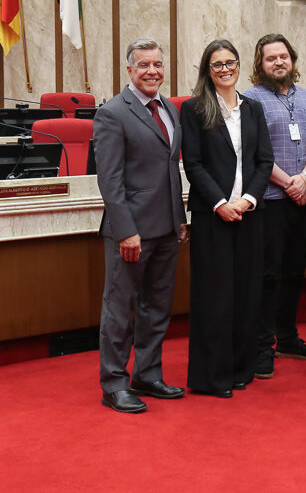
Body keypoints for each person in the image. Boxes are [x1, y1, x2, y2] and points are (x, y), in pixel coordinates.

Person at [94, 38, 187, 413]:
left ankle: (147, 374)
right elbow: (109, 179)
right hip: (130, 232)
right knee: (119, 309)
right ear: (129, 69)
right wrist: (125, 230)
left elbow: (170, 170)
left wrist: (180, 219)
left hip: (166, 228)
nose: (152, 71)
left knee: (156, 307)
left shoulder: (169, 109)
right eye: (144, 65)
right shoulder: (113, 113)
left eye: (157, 64)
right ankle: (114, 384)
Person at [181, 40, 274, 398]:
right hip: (213, 216)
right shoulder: (194, 109)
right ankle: (212, 377)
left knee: (247, 295)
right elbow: (193, 164)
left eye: (230, 62)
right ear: (208, 70)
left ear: (238, 66)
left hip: (250, 215)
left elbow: (264, 161)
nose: (224, 69)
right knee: (215, 297)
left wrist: (248, 199)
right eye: (217, 64)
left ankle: (240, 370)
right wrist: (220, 203)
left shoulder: (253, 108)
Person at [243, 34, 306, 381]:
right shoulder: (250, 99)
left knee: (294, 271)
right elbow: (252, 151)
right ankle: (262, 347)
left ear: (292, 60)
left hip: (300, 199)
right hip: (269, 201)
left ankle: (288, 339)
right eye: (271, 58)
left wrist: (304, 177)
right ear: (260, 64)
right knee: (268, 275)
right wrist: (288, 182)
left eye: (283, 56)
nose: (278, 62)